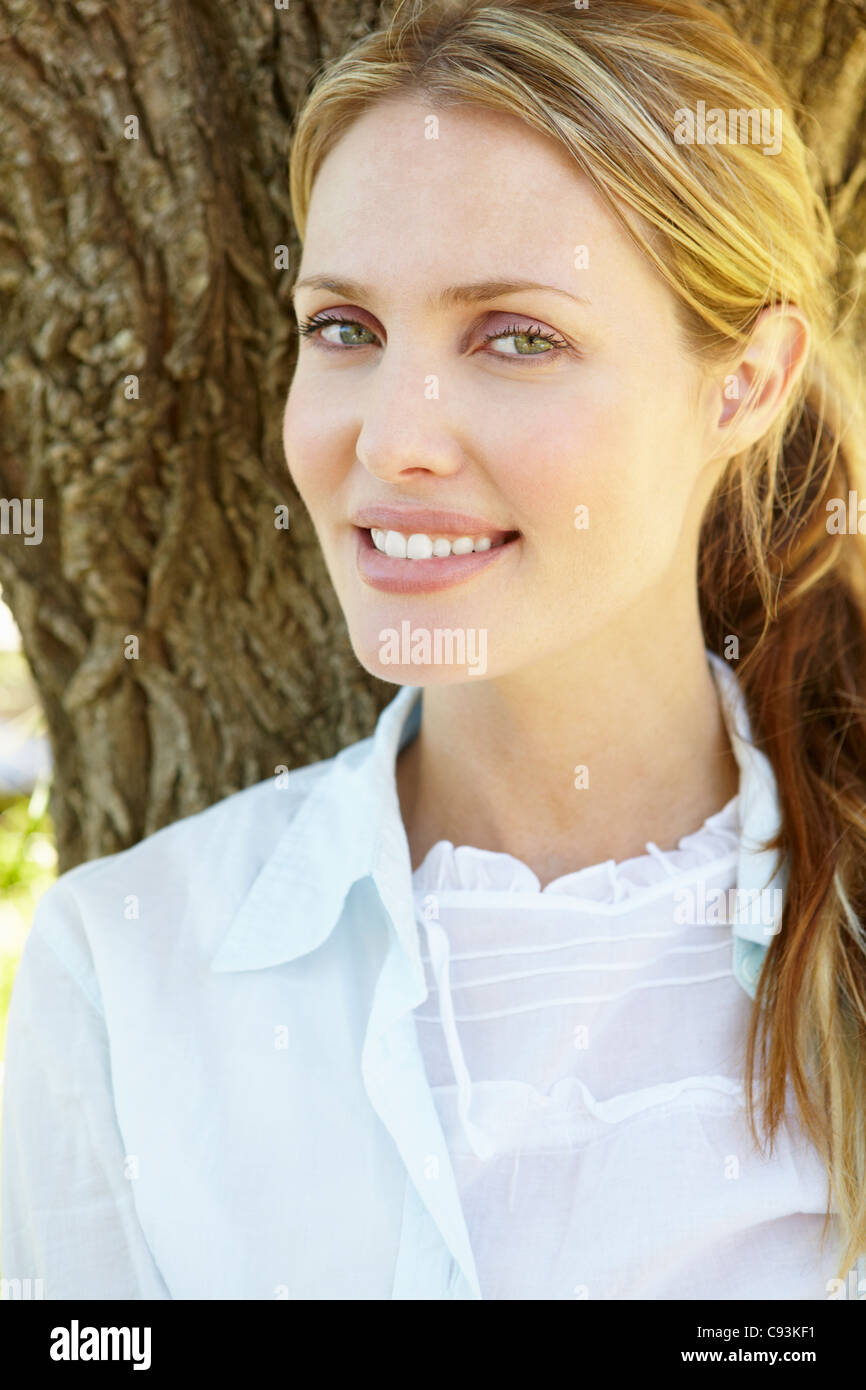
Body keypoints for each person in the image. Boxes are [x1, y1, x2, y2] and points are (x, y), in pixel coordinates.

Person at [3, 0, 866, 1300]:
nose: (391, 440)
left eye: (517, 337)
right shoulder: (126, 977)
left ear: (741, 383)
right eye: (344, 329)